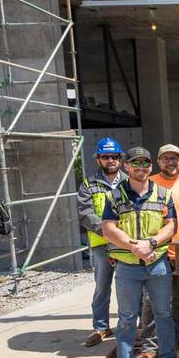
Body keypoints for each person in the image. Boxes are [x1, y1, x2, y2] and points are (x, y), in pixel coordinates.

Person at [101, 147, 179, 358]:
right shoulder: (115, 196)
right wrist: (135, 247)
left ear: (151, 167)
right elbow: (109, 229)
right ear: (126, 166)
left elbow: (170, 226)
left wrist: (150, 244)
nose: (141, 167)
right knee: (127, 319)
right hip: (128, 266)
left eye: (145, 163)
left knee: (163, 313)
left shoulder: (163, 194)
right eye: (135, 163)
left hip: (157, 262)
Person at [134, 144, 179, 358]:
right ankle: (149, 347)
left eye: (175, 158)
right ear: (158, 162)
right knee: (150, 301)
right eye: (166, 159)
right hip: (155, 253)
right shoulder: (150, 184)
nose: (171, 162)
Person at [77, 138, 127, 347]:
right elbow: (85, 213)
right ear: (98, 160)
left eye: (114, 156)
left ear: (121, 159)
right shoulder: (88, 184)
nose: (110, 160)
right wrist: (109, 232)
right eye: (105, 157)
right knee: (102, 287)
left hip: (127, 245)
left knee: (129, 287)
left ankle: (131, 326)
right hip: (101, 245)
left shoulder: (130, 181)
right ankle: (100, 326)